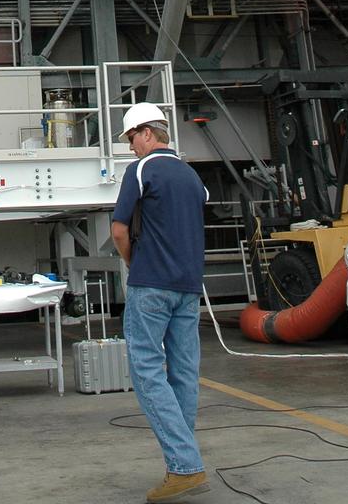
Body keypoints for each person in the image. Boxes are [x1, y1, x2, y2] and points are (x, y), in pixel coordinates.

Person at [111, 102, 209, 503]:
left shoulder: (141, 170)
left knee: (147, 371)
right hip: (189, 287)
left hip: (151, 284)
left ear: (147, 133)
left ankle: (185, 465)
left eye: (131, 138)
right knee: (184, 373)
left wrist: (135, 263)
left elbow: (118, 229)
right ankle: (180, 463)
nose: (130, 147)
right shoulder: (192, 175)